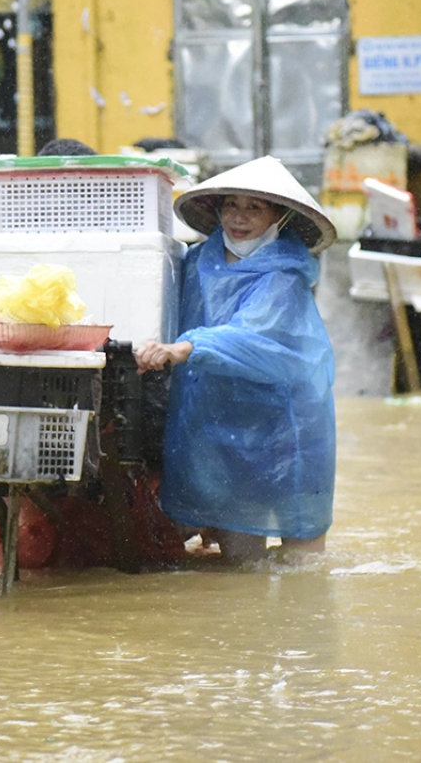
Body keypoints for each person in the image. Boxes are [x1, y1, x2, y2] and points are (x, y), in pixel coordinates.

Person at [136, 156, 338, 561]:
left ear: (278, 217)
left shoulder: (285, 276)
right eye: (231, 205)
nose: (239, 218)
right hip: (220, 427)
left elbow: (254, 338)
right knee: (241, 569)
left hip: (284, 431)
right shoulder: (196, 263)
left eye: (254, 208)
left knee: (303, 561)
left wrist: (185, 348)